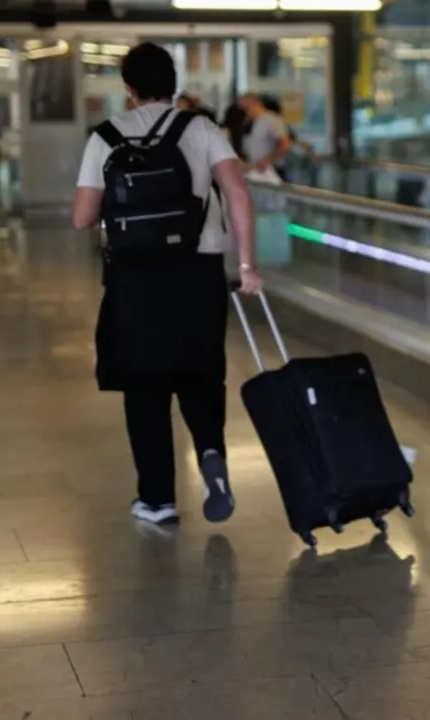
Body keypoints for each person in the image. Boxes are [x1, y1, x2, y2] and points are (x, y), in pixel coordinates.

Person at [72, 42, 262, 527]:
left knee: (144, 386)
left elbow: (82, 217)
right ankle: (212, 453)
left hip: (134, 277)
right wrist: (247, 266)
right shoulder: (200, 129)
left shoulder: (106, 136)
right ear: (173, 82)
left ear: (128, 88)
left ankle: (157, 499)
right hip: (197, 271)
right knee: (201, 373)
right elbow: (237, 191)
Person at [237, 92, 291, 177]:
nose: (244, 112)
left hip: (271, 170)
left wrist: (268, 160)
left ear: (254, 103)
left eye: (245, 108)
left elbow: (284, 144)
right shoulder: (250, 123)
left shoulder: (272, 120)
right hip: (254, 170)